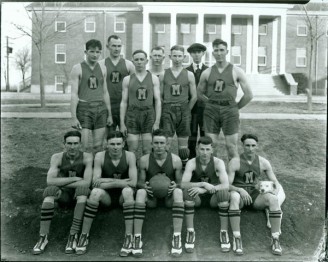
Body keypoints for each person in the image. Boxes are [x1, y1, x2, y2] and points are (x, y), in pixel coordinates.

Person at [75, 131, 137, 256]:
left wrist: (105, 180)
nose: (115, 147)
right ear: (106, 144)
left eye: (118, 144)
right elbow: (95, 183)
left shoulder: (130, 156)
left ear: (123, 144)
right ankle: (84, 235)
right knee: (95, 192)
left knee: (128, 191)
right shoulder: (99, 156)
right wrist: (123, 182)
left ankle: (129, 236)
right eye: (112, 144)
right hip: (106, 197)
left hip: (122, 197)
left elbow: (134, 182)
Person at [32, 130, 93, 255]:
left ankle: (73, 235)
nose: (72, 147)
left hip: (79, 196)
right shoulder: (57, 157)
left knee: (83, 191)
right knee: (50, 192)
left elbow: (87, 183)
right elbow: (50, 181)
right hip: (64, 195)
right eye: (69, 143)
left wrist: (60, 181)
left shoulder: (87, 157)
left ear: (80, 144)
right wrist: (75, 179)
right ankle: (43, 237)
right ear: (64, 144)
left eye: (75, 143)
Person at [227, 134, 285, 256]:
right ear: (243, 146)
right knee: (234, 196)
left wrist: (273, 192)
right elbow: (226, 185)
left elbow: (275, 181)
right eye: (247, 145)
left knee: (273, 199)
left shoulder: (263, 162)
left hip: (254, 195)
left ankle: (275, 239)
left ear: (257, 146)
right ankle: (237, 238)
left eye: (253, 145)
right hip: (240, 194)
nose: (250, 148)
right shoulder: (235, 162)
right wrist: (239, 190)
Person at [197, 38, 253, 161]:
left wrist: (235, 107)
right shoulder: (207, 72)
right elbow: (199, 93)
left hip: (230, 110)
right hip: (211, 111)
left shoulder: (237, 71)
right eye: (216, 50)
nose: (219, 53)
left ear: (227, 51)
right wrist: (210, 103)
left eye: (222, 50)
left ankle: (234, 177)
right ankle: (213, 176)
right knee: (211, 146)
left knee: (231, 146)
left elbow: (248, 94)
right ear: (212, 53)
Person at [132, 129, 184, 257]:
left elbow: (180, 184)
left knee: (178, 192)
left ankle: (176, 237)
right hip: (152, 197)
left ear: (167, 144)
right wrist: (145, 186)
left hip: (168, 198)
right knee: (140, 193)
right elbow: (139, 183)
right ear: (151, 144)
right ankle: (137, 237)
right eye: (156, 143)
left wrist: (174, 186)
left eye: (162, 143)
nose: (159, 146)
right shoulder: (144, 160)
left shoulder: (176, 160)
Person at [181, 136, 230, 254]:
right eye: (202, 149)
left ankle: (224, 232)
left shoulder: (218, 162)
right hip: (196, 198)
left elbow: (226, 185)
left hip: (213, 198)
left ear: (212, 150)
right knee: (187, 192)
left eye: (208, 149)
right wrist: (202, 184)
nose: (205, 152)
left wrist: (204, 189)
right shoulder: (192, 162)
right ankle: (190, 231)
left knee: (223, 193)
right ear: (197, 149)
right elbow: (183, 184)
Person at [70, 39, 113, 154]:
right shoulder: (77, 68)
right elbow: (74, 94)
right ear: (86, 52)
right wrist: (73, 117)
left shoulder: (103, 68)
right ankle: (85, 170)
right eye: (92, 52)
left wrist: (110, 114)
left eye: (98, 52)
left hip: (100, 108)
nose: (95, 55)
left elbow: (105, 92)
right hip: (84, 108)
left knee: (98, 146)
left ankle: (96, 170)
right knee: (84, 146)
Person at [159, 45, 197, 167]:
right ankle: (166, 167)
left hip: (184, 109)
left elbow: (194, 96)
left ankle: (183, 168)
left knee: (183, 145)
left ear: (184, 57)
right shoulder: (163, 74)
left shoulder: (189, 74)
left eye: (179, 56)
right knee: (167, 141)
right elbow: (159, 95)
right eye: (174, 56)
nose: (177, 59)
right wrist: (165, 107)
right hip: (168, 110)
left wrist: (187, 110)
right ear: (170, 57)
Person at [120, 50, 161, 159]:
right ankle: (132, 173)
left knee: (147, 149)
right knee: (132, 148)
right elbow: (124, 102)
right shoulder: (127, 79)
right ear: (132, 61)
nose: (139, 62)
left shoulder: (153, 78)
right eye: (136, 59)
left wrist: (156, 122)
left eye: (141, 59)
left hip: (148, 114)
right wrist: (122, 123)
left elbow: (157, 101)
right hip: (132, 114)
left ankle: (145, 172)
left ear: (147, 61)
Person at [99, 35, 135, 134]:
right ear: (107, 46)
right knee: (109, 137)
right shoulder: (101, 64)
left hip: (125, 106)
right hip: (108, 106)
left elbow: (134, 87)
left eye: (119, 46)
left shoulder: (129, 64)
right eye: (114, 46)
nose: (116, 49)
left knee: (127, 136)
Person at [186, 43, 208, 159]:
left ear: (203, 53)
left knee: (205, 136)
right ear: (190, 54)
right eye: (194, 52)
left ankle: (205, 159)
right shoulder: (186, 71)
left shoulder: (209, 71)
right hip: (192, 110)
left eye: (199, 52)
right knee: (192, 137)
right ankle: (192, 160)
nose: (196, 55)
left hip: (205, 110)